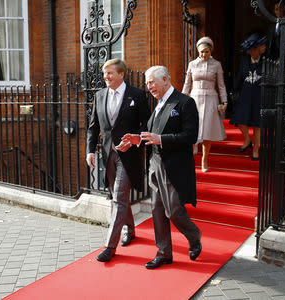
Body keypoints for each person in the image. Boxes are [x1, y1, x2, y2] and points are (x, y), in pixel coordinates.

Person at [118, 66, 201, 269]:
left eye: (152, 82)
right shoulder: (158, 105)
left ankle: (194, 235)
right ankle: (164, 252)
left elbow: (190, 136)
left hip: (175, 166)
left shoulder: (185, 102)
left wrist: (161, 139)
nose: (149, 87)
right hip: (155, 165)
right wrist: (137, 138)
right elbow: (149, 131)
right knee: (156, 210)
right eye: (147, 83)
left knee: (173, 210)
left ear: (165, 79)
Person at [86, 58, 149, 262]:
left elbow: (147, 124)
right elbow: (93, 127)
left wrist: (133, 140)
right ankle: (130, 229)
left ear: (121, 74)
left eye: (110, 73)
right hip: (108, 154)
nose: (106, 77)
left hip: (129, 155)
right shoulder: (99, 95)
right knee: (118, 196)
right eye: (104, 73)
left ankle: (109, 247)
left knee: (118, 199)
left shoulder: (138, 95)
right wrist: (90, 151)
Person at [182, 36, 227, 172]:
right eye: (201, 51)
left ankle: (205, 159)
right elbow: (187, 83)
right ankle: (193, 147)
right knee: (192, 126)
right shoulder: (192, 64)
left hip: (211, 98)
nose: (204, 54)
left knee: (207, 130)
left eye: (206, 51)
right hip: (194, 97)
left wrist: (224, 101)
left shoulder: (216, 64)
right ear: (198, 51)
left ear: (210, 50)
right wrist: (182, 99)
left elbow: (221, 85)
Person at [230, 33, 267, 161]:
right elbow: (240, 75)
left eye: (253, 50)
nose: (251, 52)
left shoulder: (266, 61)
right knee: (239, 119)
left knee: (257, 125)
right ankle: (247, 139)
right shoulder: (245, 60)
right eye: (249, 50)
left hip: (259, 95)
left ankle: (256, 149)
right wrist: (234, 90)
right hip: (245, 93)